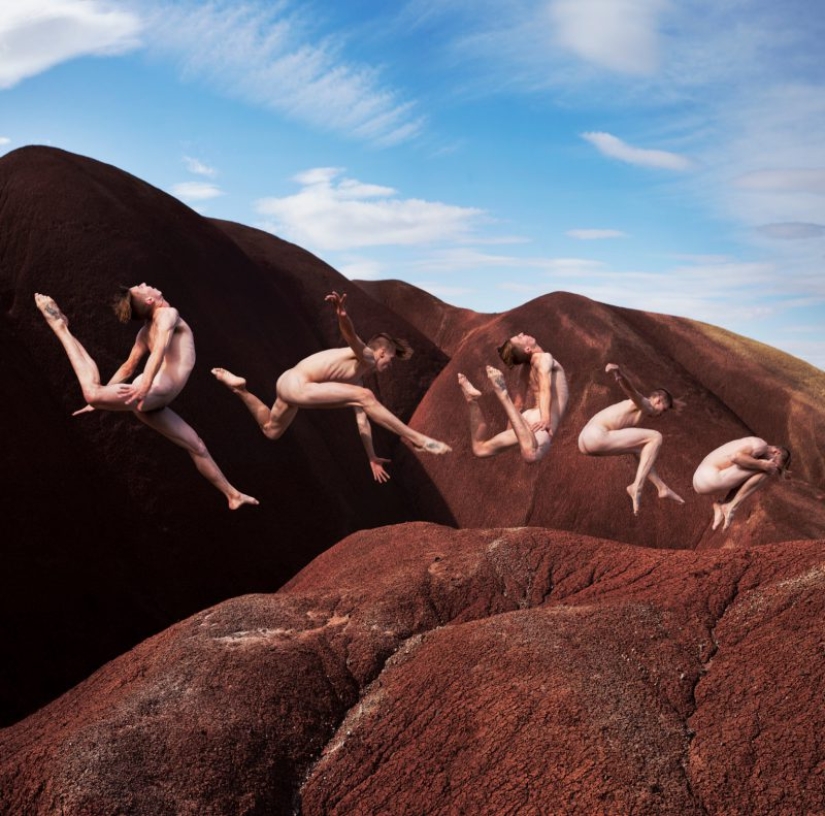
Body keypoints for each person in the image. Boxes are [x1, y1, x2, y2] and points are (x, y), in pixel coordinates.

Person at [35, 286, 259, 510]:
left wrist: (109, 396)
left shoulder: (151, 328)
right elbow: (156, 351)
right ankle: (60, 327)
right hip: (151, 392)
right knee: (92, 393)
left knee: (196, 446)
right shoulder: (167, 314)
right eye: (142, 288)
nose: (145, 284)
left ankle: (232, 495)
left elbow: (128, 367)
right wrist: (128, 391)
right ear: (151, 299)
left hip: (151, 399)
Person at [211, 291, 451, 482]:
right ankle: (417, 439)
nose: (390, 365)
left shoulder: (356, 379)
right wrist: (342, 315)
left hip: (288, 383)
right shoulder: (366, 356)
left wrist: (371, 457)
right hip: (299, 384)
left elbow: (362, 421)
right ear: (381, 352)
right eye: (390, 359)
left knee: (271, 431)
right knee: (365, 396)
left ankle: (240, 389)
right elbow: (351, 336)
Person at [578, 363, 684, 515]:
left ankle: (661, 487)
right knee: (656, 437)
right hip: (596, 436)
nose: (661, 415)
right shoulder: (646, 405)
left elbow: (645, 456)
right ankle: (637, 488)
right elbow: (632, 392)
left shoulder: (641, 410)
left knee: (641, 449)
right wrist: (619, 375)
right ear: (658, 400)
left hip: (585, 441)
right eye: (664, 411)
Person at [456, 332, 568, 463]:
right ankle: (502, 394)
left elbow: (518, 404)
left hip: (526, 418)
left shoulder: (525, 370)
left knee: (480, 449)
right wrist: (546, 418)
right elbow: (545, 387)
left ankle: (471, 400)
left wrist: (513, 430)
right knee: (531, 455)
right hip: (540, 418)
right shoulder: (544, 358)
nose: (522, 334)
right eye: (520, 337)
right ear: (527, 349)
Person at [692, 437, 791, 530]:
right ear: (776, 452)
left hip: (701, 480)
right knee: (766, 471)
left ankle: (724, 504)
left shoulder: (750, 444)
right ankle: (731, 507)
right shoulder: (761, 444)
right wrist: (764, 465)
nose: (773, 466)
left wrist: (761, 464)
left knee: (756, 466)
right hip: (709, 477)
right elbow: (736, 457)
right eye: (776, 464)